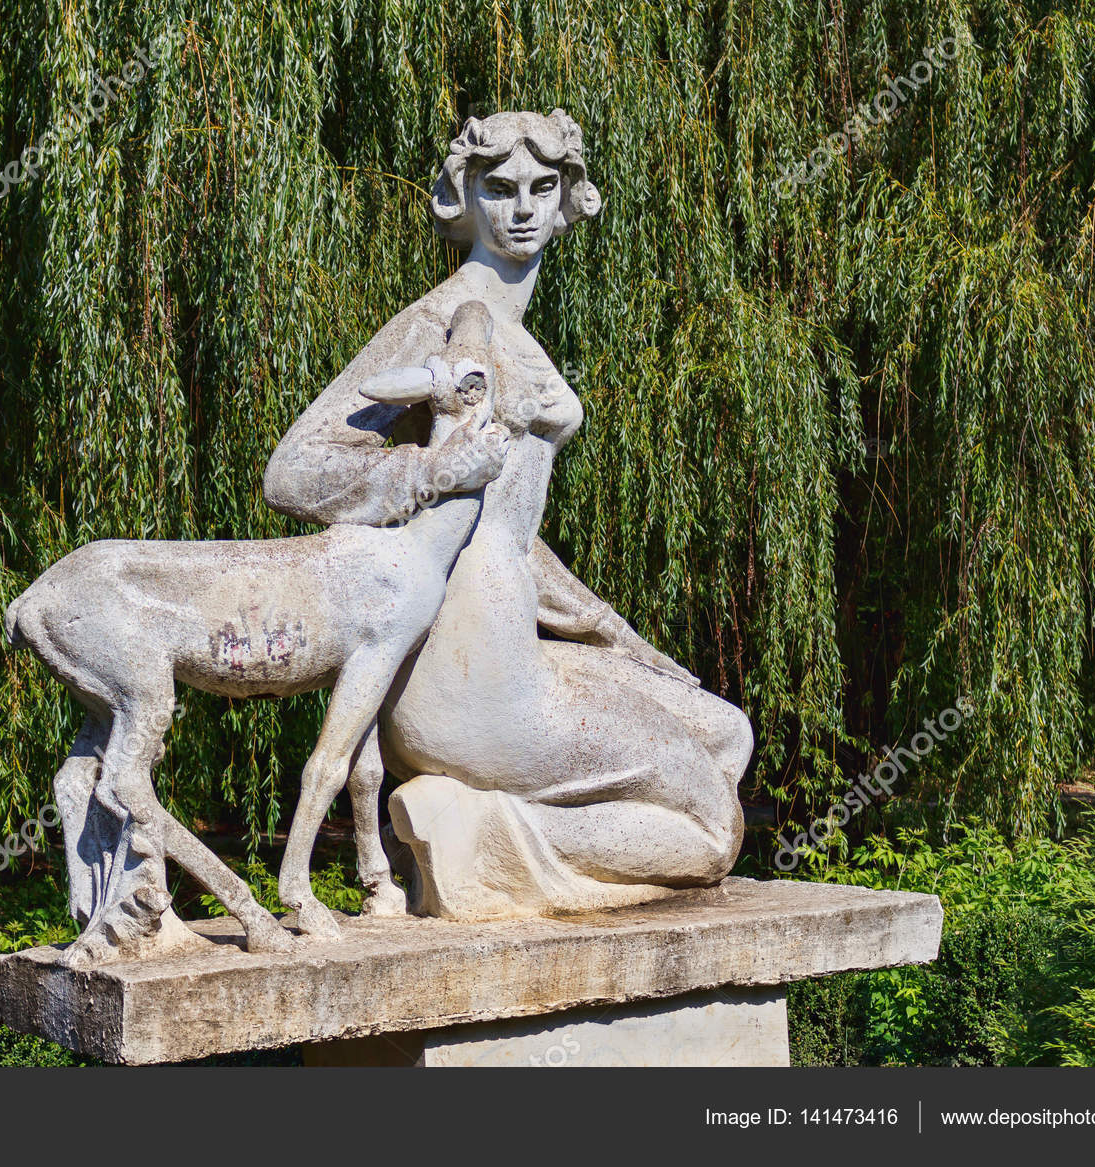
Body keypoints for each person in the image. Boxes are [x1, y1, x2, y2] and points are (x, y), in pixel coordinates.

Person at [265, 111, 751, 916]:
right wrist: (434, 469)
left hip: (511, 629)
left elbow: (508, 531)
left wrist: (610, 630)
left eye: (541, 187)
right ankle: (472, 833)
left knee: (727, 734)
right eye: (499, 189)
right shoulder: (440, 321)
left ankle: (497, 835)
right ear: (465, 199)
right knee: (710, 828)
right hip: (465, 670)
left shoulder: (514, 330)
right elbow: (295, 472)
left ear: (568, 199)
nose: (523, 207)